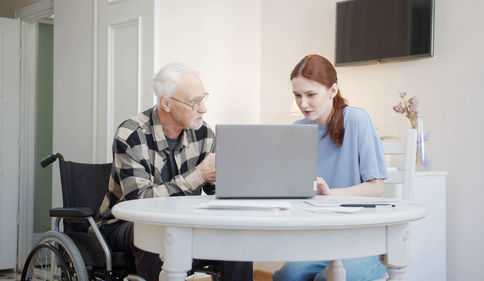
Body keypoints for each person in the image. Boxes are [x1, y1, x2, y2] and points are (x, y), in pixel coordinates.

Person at [96, 62, 253, 281]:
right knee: (156, 231)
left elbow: (217, 189)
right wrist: (197, 175)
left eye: (203, 98)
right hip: (124, 224)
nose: (204, 109)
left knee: (236, 235)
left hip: (184, 222)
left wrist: (242, 177)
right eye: (194, 102)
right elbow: (139, 203)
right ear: (166, 103)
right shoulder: (132, 134)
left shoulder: (203, 133)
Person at [272, 54, 387, 281]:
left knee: (326, 279)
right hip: (320, 237)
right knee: (286, 277)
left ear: (332, 91)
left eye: (311, 94)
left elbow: (376, 188)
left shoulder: (357, 120)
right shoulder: (298, 130)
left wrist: (330, 194)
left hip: (361, 239)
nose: (303, 103)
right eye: (297, 95)